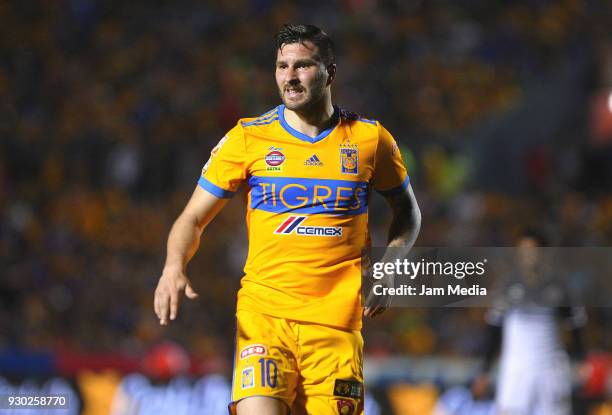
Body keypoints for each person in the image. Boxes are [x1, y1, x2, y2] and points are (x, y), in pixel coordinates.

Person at [153, 24, 421, 415]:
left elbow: (408, 212)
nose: (289, 77)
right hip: (266, 317)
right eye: (282, 66)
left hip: (336, 326)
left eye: (302, 65)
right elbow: (191, 218)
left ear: (330, 72)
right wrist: (173, 266)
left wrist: (390, 266)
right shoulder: (248, 138)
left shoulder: (370, 139)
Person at [472, 230, 586, 415]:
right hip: (517, 368)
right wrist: (484, 369)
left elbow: (575, 325)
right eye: (523, 251)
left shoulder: (559, 287)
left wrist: (581, 359)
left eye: (533, 251)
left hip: (550, 368)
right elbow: (494, 329)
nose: (528, 256)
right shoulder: (507, 286)